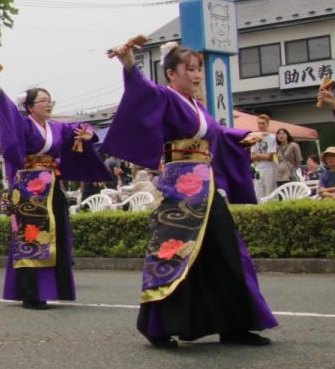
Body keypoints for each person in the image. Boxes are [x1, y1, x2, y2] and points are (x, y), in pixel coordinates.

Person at [104, 39, 277, 348]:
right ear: (171, 74)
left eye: (199, 69)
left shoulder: (198, 106)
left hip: (206, 186)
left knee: (227, 252)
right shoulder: (165, 97)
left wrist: (241, 136)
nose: (197, 75)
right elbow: (142, 91)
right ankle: (159, 326)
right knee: (172, 251)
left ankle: (235, 325)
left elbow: (216, 133)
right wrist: (129, 63)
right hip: (180, 186)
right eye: (190, 69)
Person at [0, 68, 111, 310]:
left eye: (50, 100)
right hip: (30, 187)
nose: (48, 104)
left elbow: (79, 129)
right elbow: (8, 112)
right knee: (32, 235)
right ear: (31, 107)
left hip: (52, 185)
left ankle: (53, 287)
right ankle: (31, 293)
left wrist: (88, 133)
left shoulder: (57, 128)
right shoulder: (24, 124)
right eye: (43, 100)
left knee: (58, 232)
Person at [250, 114, 278, 199]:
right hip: (258, 168)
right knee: (258, 192)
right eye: (259, 123)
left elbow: (270, 156)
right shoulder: (255, 137)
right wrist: (262, 156)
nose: (261, 125)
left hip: (270, 168)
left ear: (268, 124)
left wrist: (258, 155)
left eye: (263, 123)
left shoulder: (273, 138)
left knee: (270, 192)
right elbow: (252, 156)